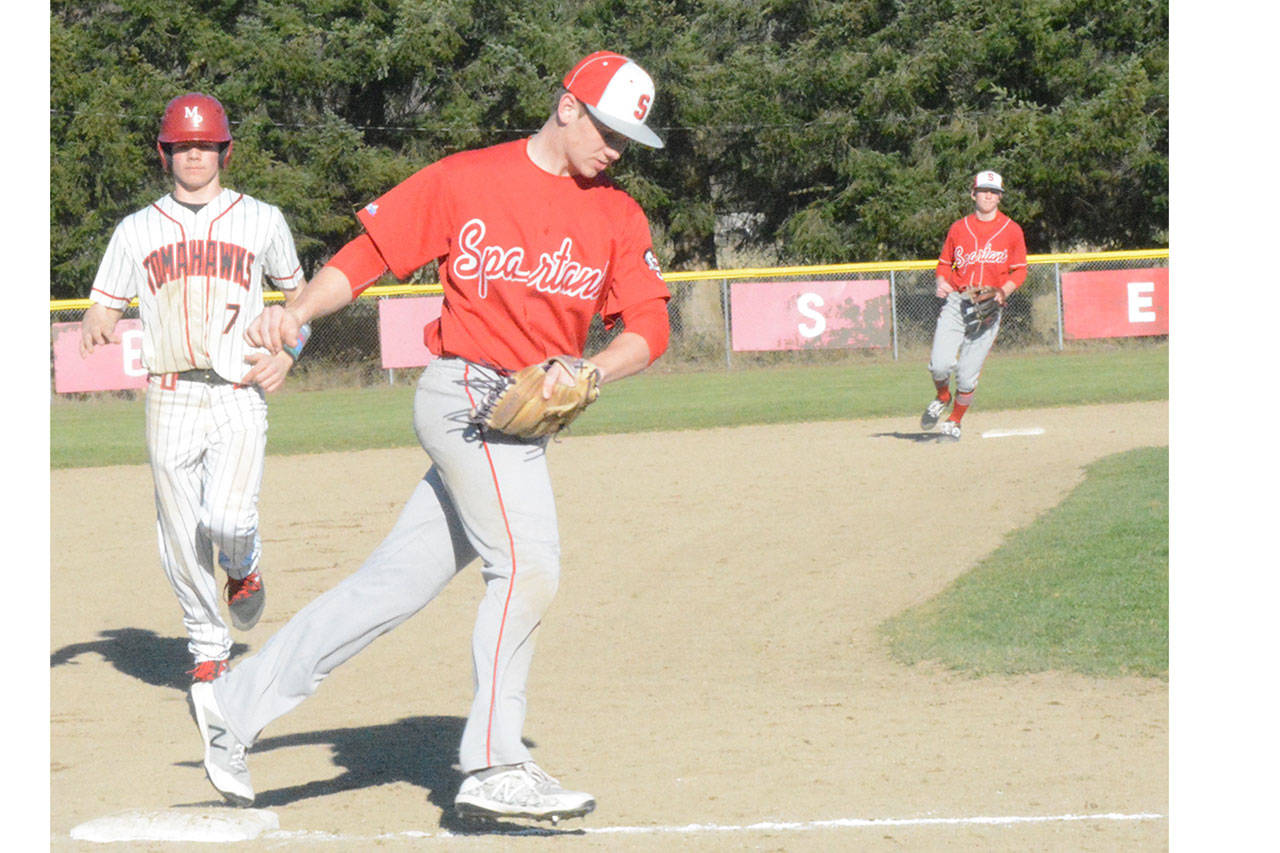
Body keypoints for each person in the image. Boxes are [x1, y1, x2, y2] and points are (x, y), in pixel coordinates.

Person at [188, 50, 671, 825]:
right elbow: (372, 255)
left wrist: (593, 369)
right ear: (568, 107)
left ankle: (233, 705)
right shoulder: (469, 179)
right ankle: (495, 762)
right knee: (528, 565)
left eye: (628, 140)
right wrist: (298, 312)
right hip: (465, 395)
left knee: (391, 586)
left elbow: (649, 326)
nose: (616, 151)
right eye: (608, 131)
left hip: (523, 419)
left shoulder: (617, 214)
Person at [79, 93, 307, 682]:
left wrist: (289, 352)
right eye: (183, 146)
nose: (195, 155)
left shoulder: (263, 219)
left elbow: (301, 302)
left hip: (239, 387)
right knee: (181, 533)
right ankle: (208, 648)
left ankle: (243, 566)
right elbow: (105, 303)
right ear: (165, 154)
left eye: (205, 144)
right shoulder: (136, 230)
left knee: (228, 519)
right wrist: (98, 315)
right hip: (170, 392)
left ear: (225, 151)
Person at [919, 169, 1027, 441]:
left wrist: (1003, 292)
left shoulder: (1012, 230)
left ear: (1000, 197)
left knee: (967, 376)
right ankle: (942, 396)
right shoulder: (959, 228)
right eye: (983, 191)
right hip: (958, 301)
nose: (988, 196)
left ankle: (954, 421)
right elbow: (945, 264)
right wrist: (940, 282)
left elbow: (1020, 271)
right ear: (973, 194)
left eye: (994, 192)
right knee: (939, 365)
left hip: (989, 305)